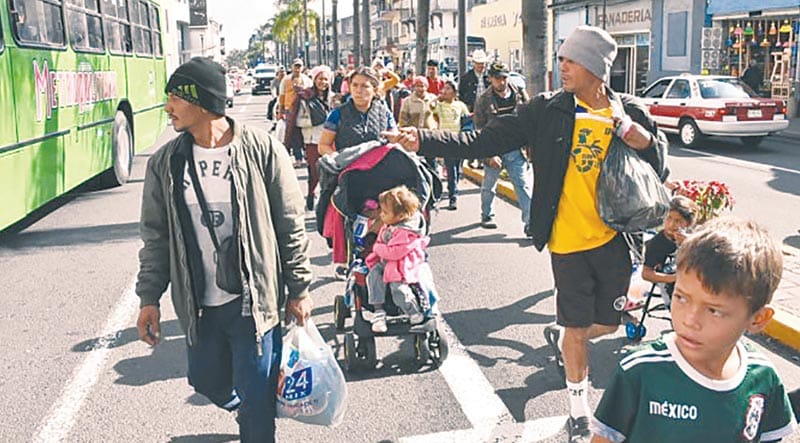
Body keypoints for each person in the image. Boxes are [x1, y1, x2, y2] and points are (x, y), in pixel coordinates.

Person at [383, 26, 668, 442]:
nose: (562, 66)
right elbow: (482, 139)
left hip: (616, 240)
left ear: (594, 67)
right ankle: (578, 410)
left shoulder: (630, 111)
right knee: (576, 328)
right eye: (562, 58)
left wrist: (642, 140)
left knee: (608, 325)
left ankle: (564, 335)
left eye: (571, 60)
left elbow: (660, 168)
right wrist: (422, 140)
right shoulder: (546, 109)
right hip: (567, 241)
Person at [135, 57, 313, 443]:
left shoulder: (261, 150)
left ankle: (254, 412)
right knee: (205, 380)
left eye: (174, 98)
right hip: (201, 304)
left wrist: (299, 288)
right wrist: (149, 297)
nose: (168, 108)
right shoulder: (166, 163)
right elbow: (156, 236)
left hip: (254, 303)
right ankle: (242, 406)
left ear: (200, 101)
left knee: (258, 404)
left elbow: (290, 221)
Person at [591, 217, 798, 443]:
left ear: (758, 319)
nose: (690, 320)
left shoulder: (763, 378)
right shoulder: (640, 370)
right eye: (681, 297)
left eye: (714, 311)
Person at [318, 66, 397, 279]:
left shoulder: (384, 112)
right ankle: (345, 259)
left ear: (376, 89)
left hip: (380, 177)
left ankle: (380, 254)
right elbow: (324, 145)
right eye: (355, 85)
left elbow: (394, 140)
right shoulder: (338, 114)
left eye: (365, 86)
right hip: (349, 176)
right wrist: (337, 160)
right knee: (345, 214)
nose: (359, 90)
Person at [473, 61, 532, 233]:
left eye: (504, 78)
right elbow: (479, 129)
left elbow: (529, 117)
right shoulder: (484, 100)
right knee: (489, 186)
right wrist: (489, 154)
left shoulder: (519, 93)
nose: (502, 82)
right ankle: (487, 214)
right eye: (497, 78)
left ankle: (530, 223)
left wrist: (530, 145)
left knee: (522, 185)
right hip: (494, 148)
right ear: (490, 78)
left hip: (515, 149)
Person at [365, 185, 429, 333]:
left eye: (385, 212)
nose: (381, 215)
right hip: (386, 261)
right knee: (374, 275)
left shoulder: (406, 232)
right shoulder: (389, 224)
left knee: (398, 288)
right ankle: (378, 310)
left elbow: (395, 252)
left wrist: (376, 248)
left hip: (402, 263)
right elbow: (381, 240)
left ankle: (413, 311)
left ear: (400, 216)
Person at [641, 195, 697, 298]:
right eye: (669, 218)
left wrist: (689, 242)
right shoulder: (657, 243)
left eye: (678, 221)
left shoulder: (691, 237)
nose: (672, 224)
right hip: (668, 281)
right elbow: (646, 273)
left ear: (688, 224)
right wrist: (674, 278)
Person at [297, 65, 334, 211]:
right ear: (314, 79)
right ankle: (311, 194)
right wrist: (315, 120)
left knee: (330, 170)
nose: (323, 82)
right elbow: (299, 120)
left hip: (331, 141)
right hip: (312, 140)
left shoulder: (333, 98)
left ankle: (327, 199)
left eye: (326, 79)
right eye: (320, 79)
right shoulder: (305, 97)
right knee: (314, 171)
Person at [432, 80, 470, 210]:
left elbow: (467, 119)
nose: (445, 91)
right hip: (446, 140)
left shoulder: (460, 105)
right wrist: (438, 98)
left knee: (458, 168)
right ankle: (453, 196)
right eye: (444, 88)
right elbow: (430, 108)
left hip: (459, 139)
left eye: (448, 89)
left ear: (454, 92)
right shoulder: (440, 105)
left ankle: (454, 187)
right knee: (451, 169)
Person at [279, 58, 312, 167]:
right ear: (292, 67)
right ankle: (298, 158)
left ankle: (307, 157)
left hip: (303, 110)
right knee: (293, 134)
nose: (297, 69)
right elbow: (282, 96)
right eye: (296, 66)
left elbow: (311, 94)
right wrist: (281, 111)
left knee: (305, 134)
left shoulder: (307, 80)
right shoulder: (286, 80)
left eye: (299, 66)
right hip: (290, 110)